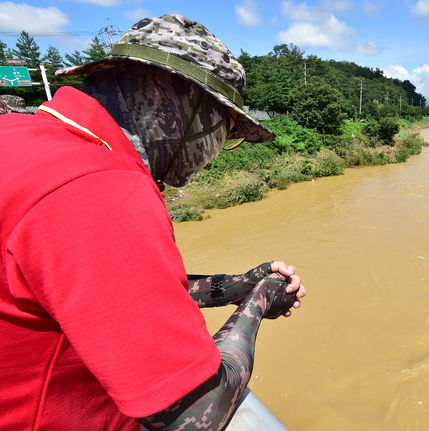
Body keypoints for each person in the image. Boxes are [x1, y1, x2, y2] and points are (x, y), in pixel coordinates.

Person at [0, 14, 306, 431]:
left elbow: (110, 289)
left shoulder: (24, 136)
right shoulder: (98, 187)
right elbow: (198, 412)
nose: (219, 151)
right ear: (180, 101)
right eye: (226, 130)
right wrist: (261, 300)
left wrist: (235, 285)